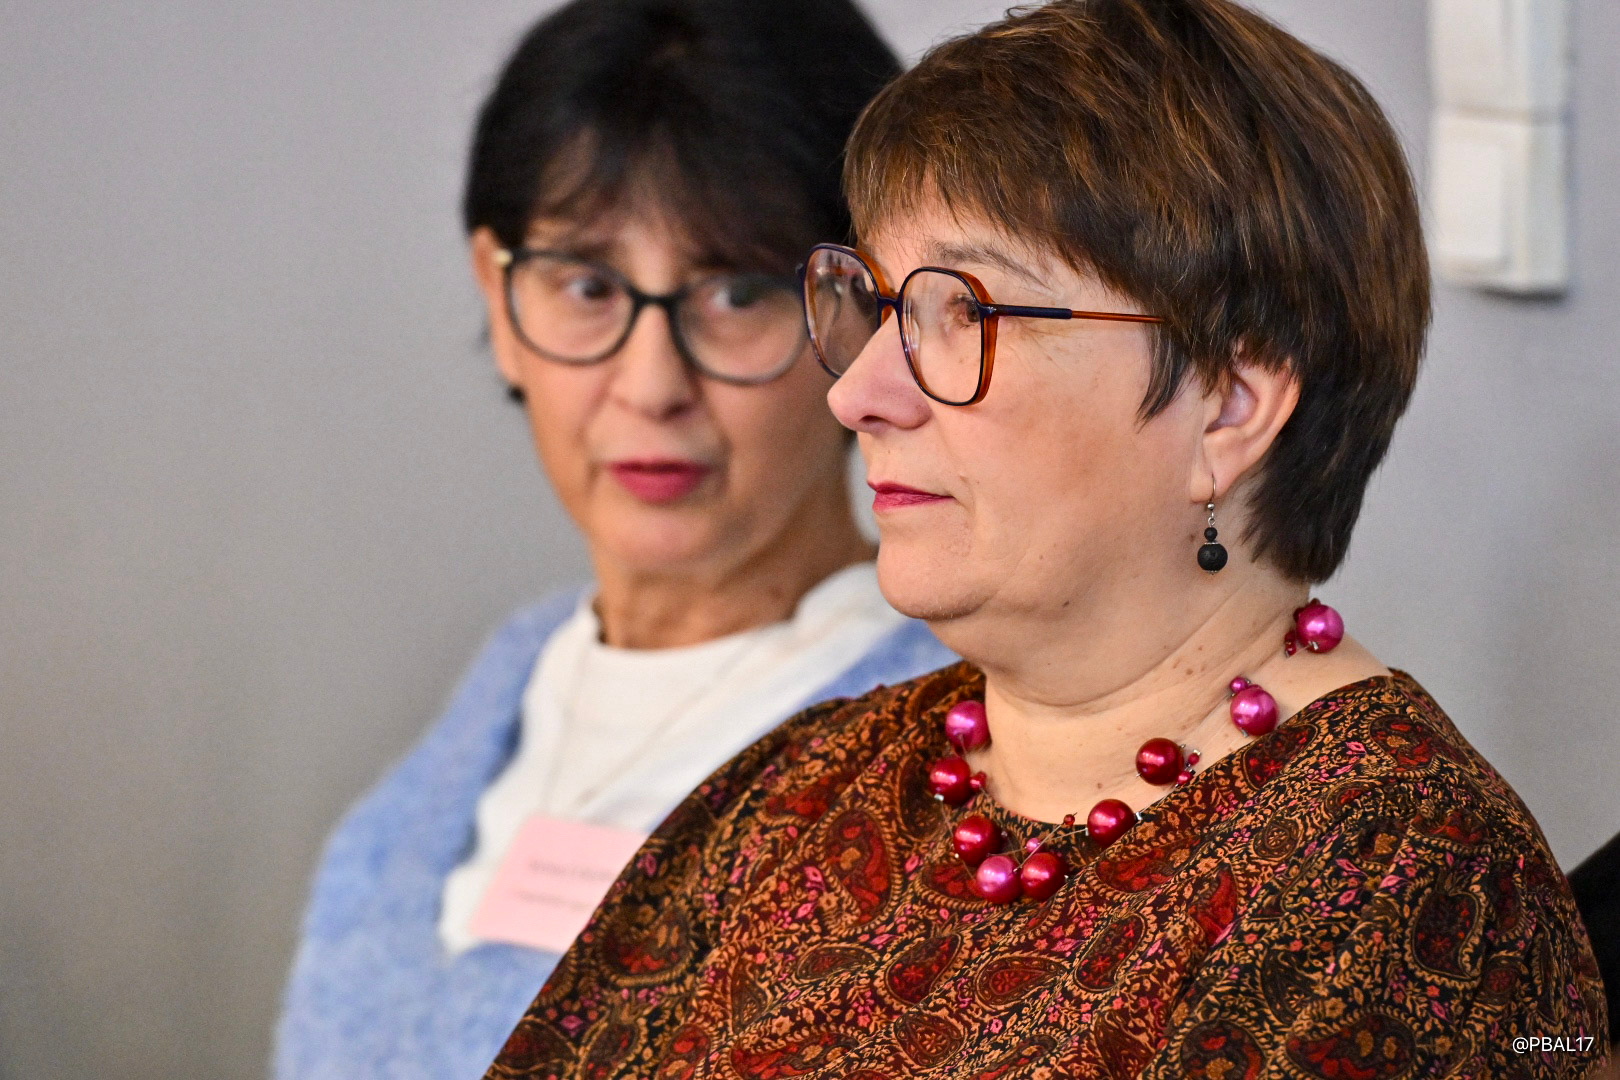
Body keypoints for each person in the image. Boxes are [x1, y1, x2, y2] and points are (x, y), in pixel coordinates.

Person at [482, 1, 1610, 1076]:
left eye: (966, 313)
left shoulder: (1397, 867)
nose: (858, 393)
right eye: (882, 307)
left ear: (1227, 409)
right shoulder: (803, 785)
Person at [272, 2, 954, 1077]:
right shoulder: (502, 692)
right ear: (499, 298)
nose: (650, 385)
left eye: (738, 291)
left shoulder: (956, 754)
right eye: (588, 286)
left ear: (862, 316)